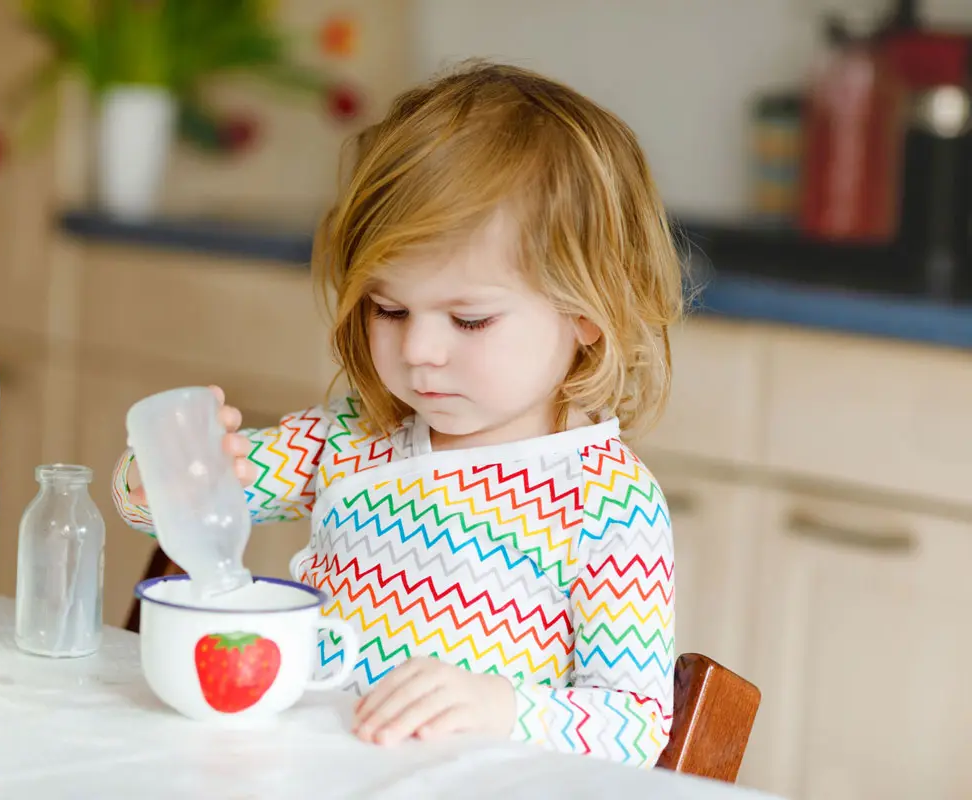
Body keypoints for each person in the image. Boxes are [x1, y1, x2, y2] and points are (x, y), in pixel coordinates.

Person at [113, 60, 680, 767]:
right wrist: (168, 475)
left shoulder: (605, 499)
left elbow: (635, 725)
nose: (419, 350)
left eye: (469, 320)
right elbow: (157, 509)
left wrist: (500, 706)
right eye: (389, 308)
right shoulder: (352, 435)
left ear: (588, 314)